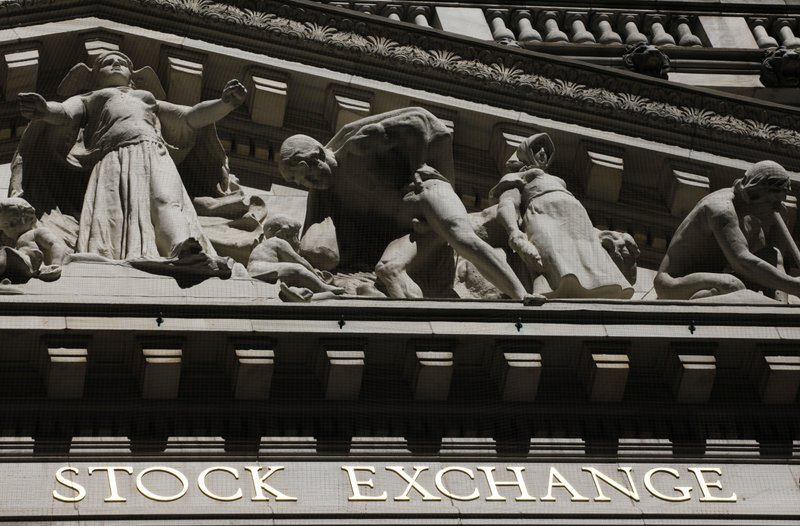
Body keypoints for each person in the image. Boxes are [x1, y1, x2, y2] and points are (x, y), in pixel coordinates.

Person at [16, 51, 246, 276]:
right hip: (115, 158)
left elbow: (189, 118)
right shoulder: (92, 97)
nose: (116, 64)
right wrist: (45, 110)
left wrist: (224, 104)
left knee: (168, 199)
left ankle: (182, 248)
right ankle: (116, 255)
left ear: (132, 75)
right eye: (108, 62)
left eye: (122, 62)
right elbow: (65, 113)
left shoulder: (147, 98)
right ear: (95, 76)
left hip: (154, 150)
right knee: (115, 213)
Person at [278, 107, 535, 301]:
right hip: (411, 233)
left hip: (425, 197)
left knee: (462, 237)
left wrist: (419, 165)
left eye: (306, 174)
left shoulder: (357, 146)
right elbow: (314, 252)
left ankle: (521, 295)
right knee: (388, 269)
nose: (308, 183)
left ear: (318, 157)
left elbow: (418, 122)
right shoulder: (325, 196)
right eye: (300, 182)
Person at [490, 133, 635, 299]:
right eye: (536, 148)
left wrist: (599, 233)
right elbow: (507, 203)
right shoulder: (518, 176)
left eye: (546, 149)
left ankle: (599, 286)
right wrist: (513, 231)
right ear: (526, 152)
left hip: (575, 219)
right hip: (543, 214)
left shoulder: (556, 180)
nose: (543, 152)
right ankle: (550, 290)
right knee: (549, 252)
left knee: (585, 252)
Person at [654, 160, 800, 300]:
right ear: (754, 192)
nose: (777, 207)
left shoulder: (753, 218)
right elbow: (742, 262)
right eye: (774, 201)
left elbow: (768, 262)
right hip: (674, 283)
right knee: (731, 285)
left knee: (771, 254)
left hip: (718, 276)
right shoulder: (721, 209)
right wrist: (794, 286)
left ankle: (781, 309)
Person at [247, 214, 344, 299]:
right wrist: (317, 276)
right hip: (261, 269)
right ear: (284, 234)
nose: (298, 241)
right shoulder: (278, 241)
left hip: (258, 271)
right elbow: (299, 261)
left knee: (293, 274)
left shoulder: (267, 245)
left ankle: (297, 293)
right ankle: (323, 287)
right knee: (297, 268)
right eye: (296, 235)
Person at [0, 197, 70, 282]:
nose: (8, 228)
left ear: (28, 219)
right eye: (4, 226)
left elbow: (56, 244)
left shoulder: (37, 232)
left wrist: (56, 263)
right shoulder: (14, 243)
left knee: (4, 253)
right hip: (18, 265)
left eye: (12, 223)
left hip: (30, 264)